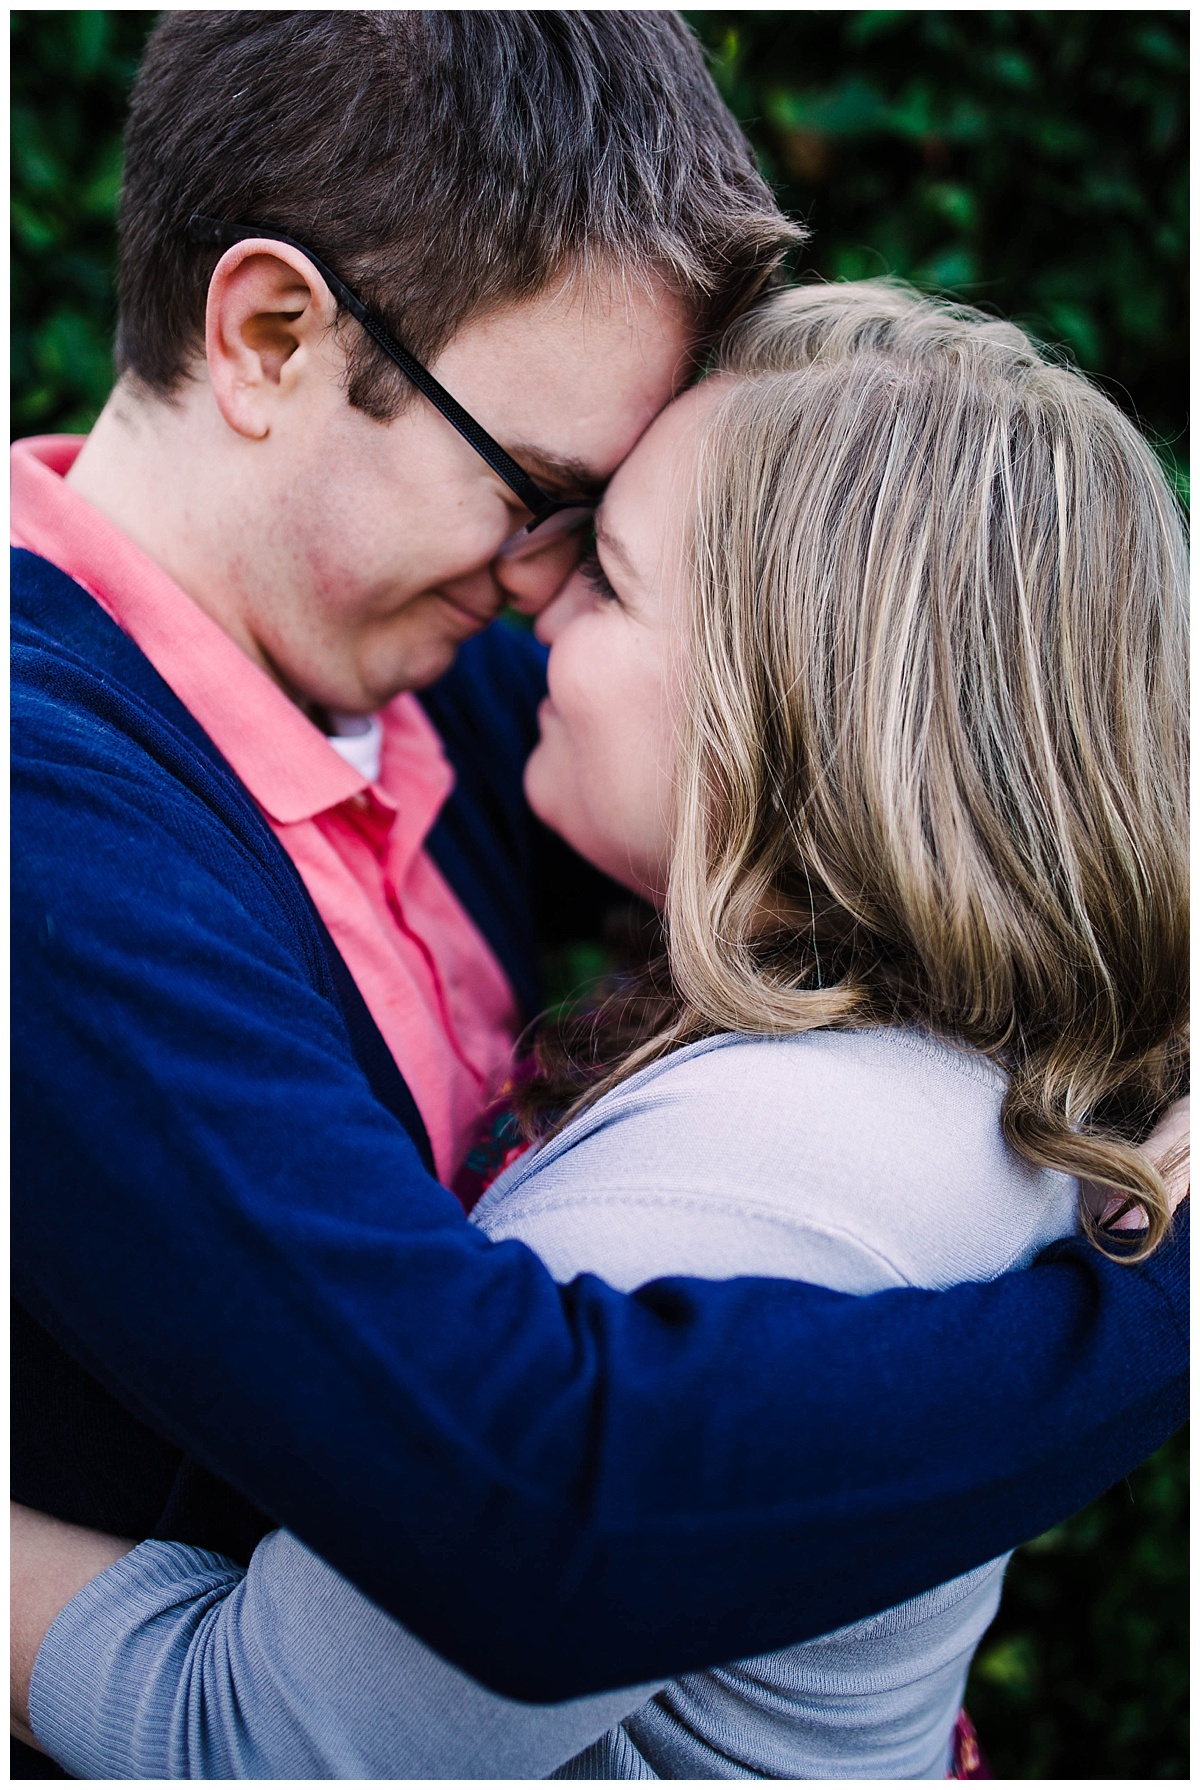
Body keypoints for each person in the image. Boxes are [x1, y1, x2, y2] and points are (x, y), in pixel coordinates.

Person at [11, 9, 1188, 1762]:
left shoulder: (418, 668)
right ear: (269, 335)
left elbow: (886, 736)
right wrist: (1135, 1307)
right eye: (545, 492)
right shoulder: (49, 820)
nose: (551, 588)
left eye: (600, 538)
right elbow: (523, 1493)